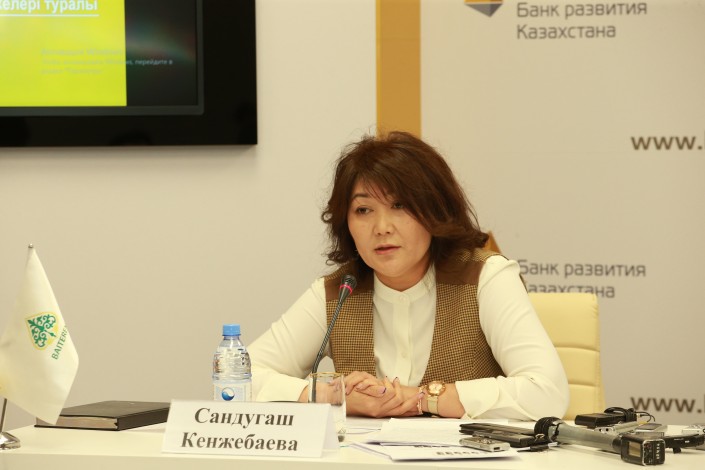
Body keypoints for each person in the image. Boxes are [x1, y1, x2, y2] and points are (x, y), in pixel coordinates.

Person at [248, 131, 569, 420]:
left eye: (399, 205)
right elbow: (236, 378)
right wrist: (332, 395)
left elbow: (547, 392)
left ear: (434, 210)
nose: (381, 227)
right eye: (363, 210)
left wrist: (423, 398)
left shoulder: (485, 277)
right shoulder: (339, 291)